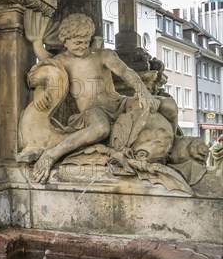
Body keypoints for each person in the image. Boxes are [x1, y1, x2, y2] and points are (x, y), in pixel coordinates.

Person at [32, 13, 178, 184]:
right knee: (101, 128)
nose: (83, 46)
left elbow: (125, 71)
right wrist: (39, 93)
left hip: (120, 104)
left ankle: (173, 152)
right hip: (92, 112)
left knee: (169, 106)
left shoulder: (103, 55)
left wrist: (142, 92)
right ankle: (51, 154)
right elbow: (42, 73)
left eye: (86, 41)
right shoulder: (61, 61)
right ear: (65, 40)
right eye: (77, 42)